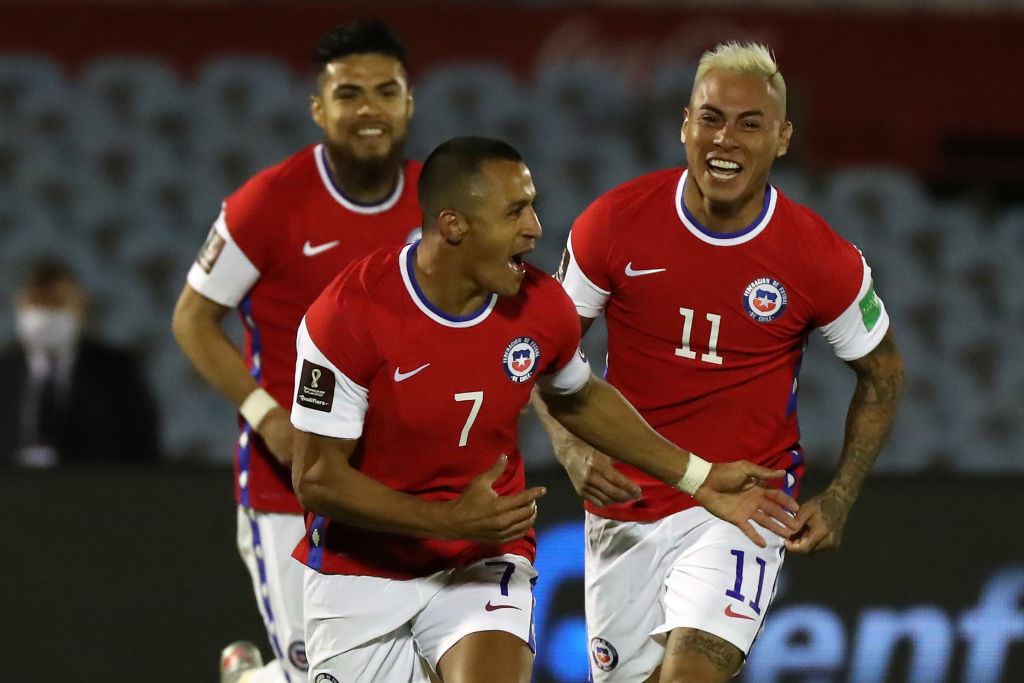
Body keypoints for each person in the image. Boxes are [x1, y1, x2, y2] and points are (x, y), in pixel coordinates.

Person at [289, 135, 800, 683]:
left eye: (531, 206)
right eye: (515, 212)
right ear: (454, 225)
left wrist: (698, 476)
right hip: (360, 567)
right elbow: (317, 479)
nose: (534, 227)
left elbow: (577, 397)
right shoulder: (347, 315)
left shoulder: (539, 307)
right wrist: (443, 518)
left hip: (480, 554)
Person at [532, 42, 906, 682]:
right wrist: (571, 449)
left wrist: (841, 496)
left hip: (745, 501)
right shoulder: (613, 225)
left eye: (749, 123)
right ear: (685, 124)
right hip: (629, 502)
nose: (724, 139)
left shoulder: (821, 258)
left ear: (783, 138)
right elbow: (543, 349)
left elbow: (884, 374)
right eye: (711, 118)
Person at [171, 20, 421, 683]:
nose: (368, 108)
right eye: (349, 94)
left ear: (409, 102)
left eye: (385, 90)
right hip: (292, 485)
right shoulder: (269, 204)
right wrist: (268, 416)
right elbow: (193, 319)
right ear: (319, 108)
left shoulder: (443, 204)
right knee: (329, 675)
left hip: (410, 482)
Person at [0, 259, 160, 466]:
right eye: (37, 303)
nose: (46, 314)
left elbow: (143, 446)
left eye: (57, 303)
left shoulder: (117, 370)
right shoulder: (3, 370)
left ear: (80, 307)